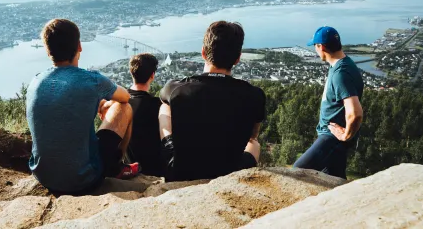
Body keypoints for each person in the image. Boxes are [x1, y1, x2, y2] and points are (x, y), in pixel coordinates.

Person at [26, 19, 140, 195]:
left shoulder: (35, 81)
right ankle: (116, 167)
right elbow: (125, 96)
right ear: (79, 46)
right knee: (124, 107)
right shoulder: (91, 80)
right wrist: (106, 104)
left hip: (44, 177)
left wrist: (100, 104)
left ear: (48, 51)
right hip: (83, 181)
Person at [159, 21, 266, 181]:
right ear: (237, 59)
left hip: (180, 172)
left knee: (165, 107)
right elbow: (253, 134)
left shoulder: (175, 89)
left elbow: (164, 98)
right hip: (230, 172)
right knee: (254, 144)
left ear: (203, 52)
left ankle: (169, 147)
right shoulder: (255, 95)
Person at [294, 26, 364, 179]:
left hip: (331, 138)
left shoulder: (341, 74)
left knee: (297, 172)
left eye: (315, 46)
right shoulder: (344, 64)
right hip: (333, 138)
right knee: (334, 178)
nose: (315, 50)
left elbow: (356, 114)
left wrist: (346, 135)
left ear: (321, 47)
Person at [127, 53, 163, 176]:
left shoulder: (119, 102)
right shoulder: (158, 106)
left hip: (128, 166)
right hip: (154, 169)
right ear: (152, 76)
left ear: (131, 73)